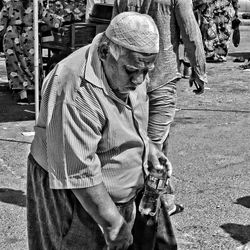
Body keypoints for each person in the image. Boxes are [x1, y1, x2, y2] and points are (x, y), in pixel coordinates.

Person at [27, 12, 173, 250]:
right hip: (75, 192)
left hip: (118, 190)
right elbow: (78, 170)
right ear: (105, 52)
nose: (139, 80)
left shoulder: (129, 63)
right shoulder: (73, 87)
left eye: (146, 72)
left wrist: (148, 147)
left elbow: (128, 116)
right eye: (132, 71)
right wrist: (112, 224)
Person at [113, 0, 208, 217]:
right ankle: (145, 208)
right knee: (153, 145)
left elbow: (113, 34)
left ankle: (165, 199)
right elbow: (190, 34)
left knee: (144, 141)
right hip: (161, 75)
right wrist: (199, 70)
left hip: (130, 79)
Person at [0, 0, 63, 105]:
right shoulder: (35, 3)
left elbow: (1, 25)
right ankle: (37, 94)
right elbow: (50, 19)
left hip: (12, 36)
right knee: (34, 63)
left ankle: (22, 96)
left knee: (15, 65)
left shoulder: (9, 4)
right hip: (29, 35)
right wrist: (59, 22)